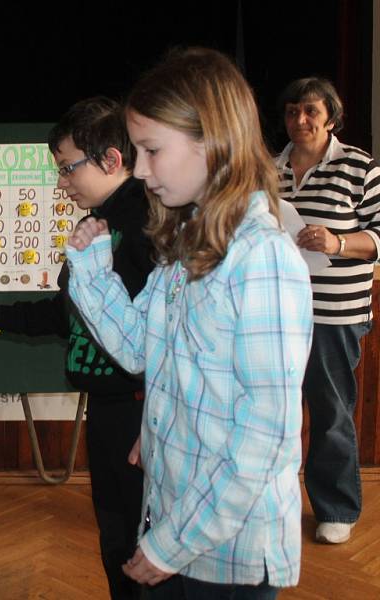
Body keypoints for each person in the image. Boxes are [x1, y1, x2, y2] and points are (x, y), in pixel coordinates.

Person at [65, 48, 313, 599]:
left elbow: (265, 436)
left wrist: (173, 543)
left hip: (223, 553)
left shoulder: (261, 259)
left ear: (212, 141)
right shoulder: (186, 245)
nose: (142, 170)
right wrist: (92, 271)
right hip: (178, 519)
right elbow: (140, 351)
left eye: (152, 150)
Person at [0, 96, 153, 599]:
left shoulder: (150, 222)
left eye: (67, 169)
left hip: (139, 413)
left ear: (110, 159)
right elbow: (69, 313)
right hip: (108, 410)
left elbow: (164, 335)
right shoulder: (100, 220)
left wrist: (155, 415)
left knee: (146, 550)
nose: (61, 183)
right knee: (117, 541)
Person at [275, 77, 380, 545]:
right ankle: (274, 505)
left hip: (333, 314)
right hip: (272, 315)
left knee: (331, 410)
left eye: (311, 112)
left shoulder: (360, 167)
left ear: (331, 118)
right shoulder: (266, 168)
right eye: (292, 111)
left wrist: (337, 242)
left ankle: (336, 507)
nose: (300, 121)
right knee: (273, 412)